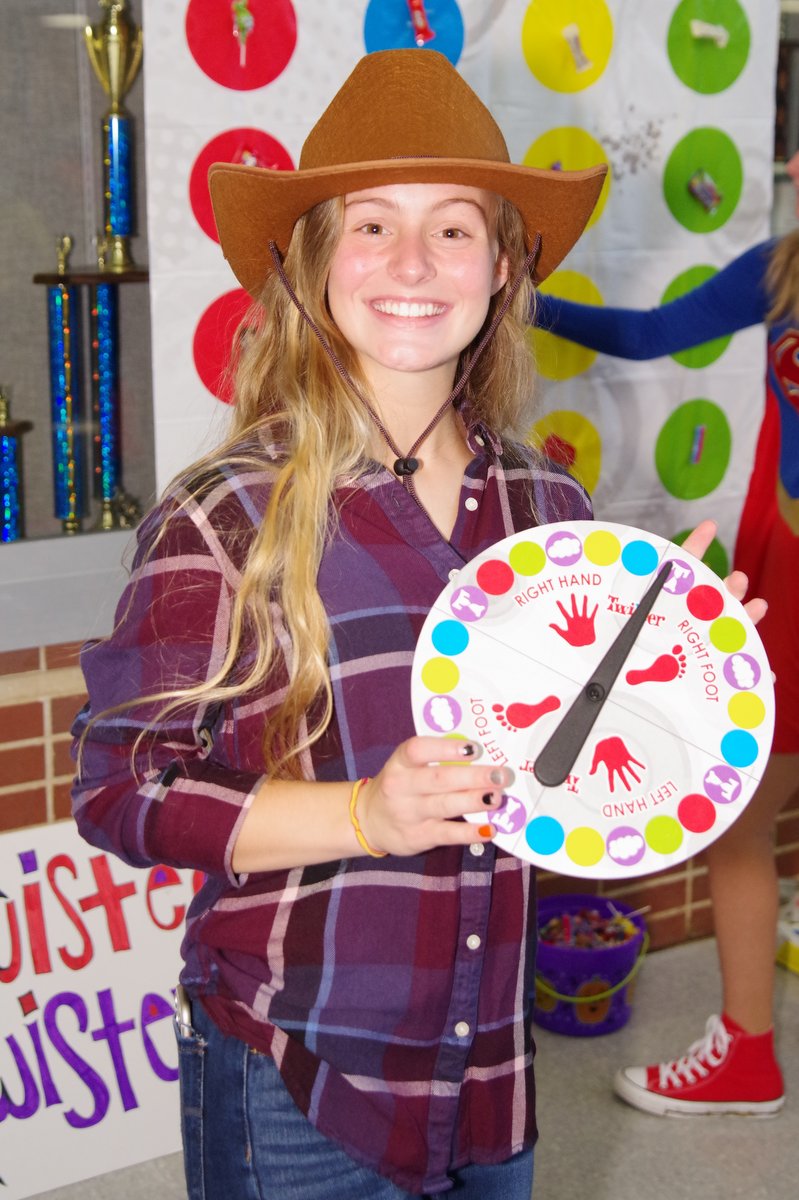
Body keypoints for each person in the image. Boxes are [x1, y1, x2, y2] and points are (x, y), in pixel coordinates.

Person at [70, 49, 762, 1198]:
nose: (411, 261)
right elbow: (122, 787)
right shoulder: (227, 512)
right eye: (370, 224)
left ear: (504, 267)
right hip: (297, 1069)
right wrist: (365, 812)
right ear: (310, 263)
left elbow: (571, 788)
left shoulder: (553, 514)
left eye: (451, 228)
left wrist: (682, 693)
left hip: (489, 1073)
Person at [535, 153, 799, 1118]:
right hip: (785, 571)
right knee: (739, 818)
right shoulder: (781, 266)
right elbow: (648, 334)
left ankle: (747, 1058)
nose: (793, 161)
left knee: (738, 823)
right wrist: (522, 302)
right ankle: (745, 1052)